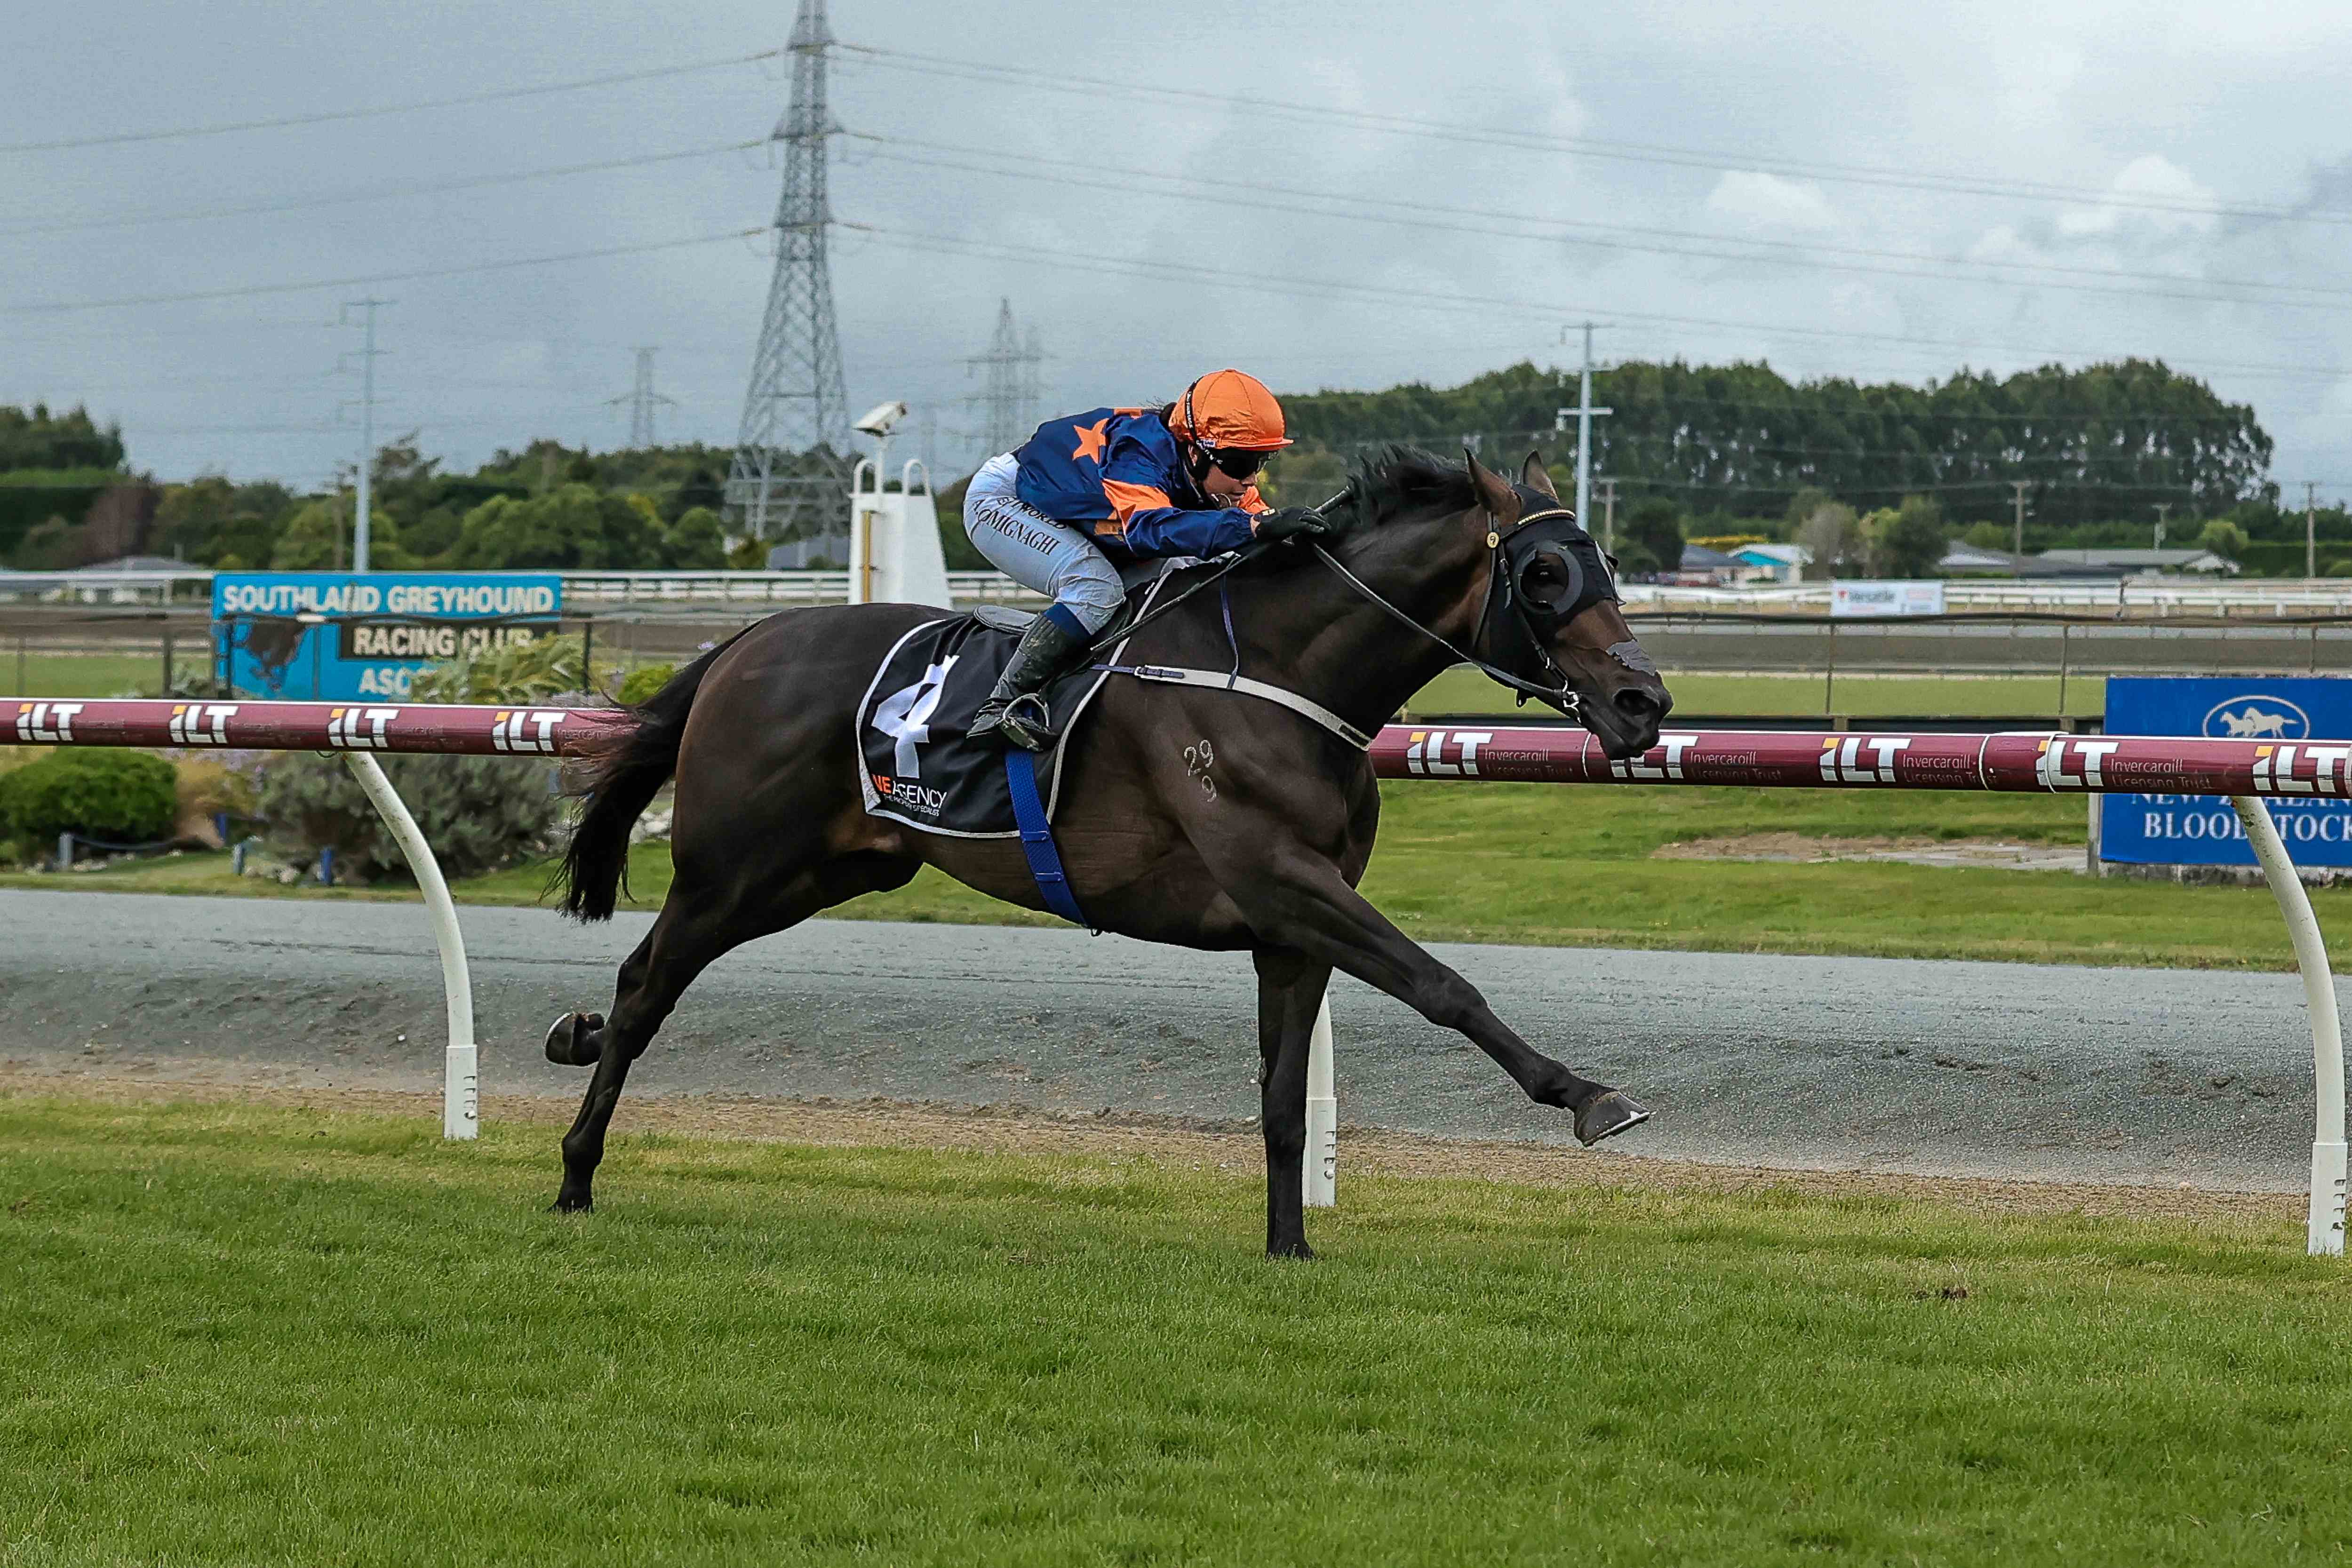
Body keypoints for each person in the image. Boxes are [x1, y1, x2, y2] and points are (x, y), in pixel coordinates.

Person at [960, 368, 1331, 749]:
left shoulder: (1216, 469)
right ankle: (1001, 704)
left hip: (1086, 515)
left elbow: (1254, 533)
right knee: (1095, 587)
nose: (1250, 480)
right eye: (1240, 464)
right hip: (1007, 501)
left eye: (1260, 462)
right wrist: (1252, 529)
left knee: (1184, 581)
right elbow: (1148, 530)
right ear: (1194, 451)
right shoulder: (1137, 454)